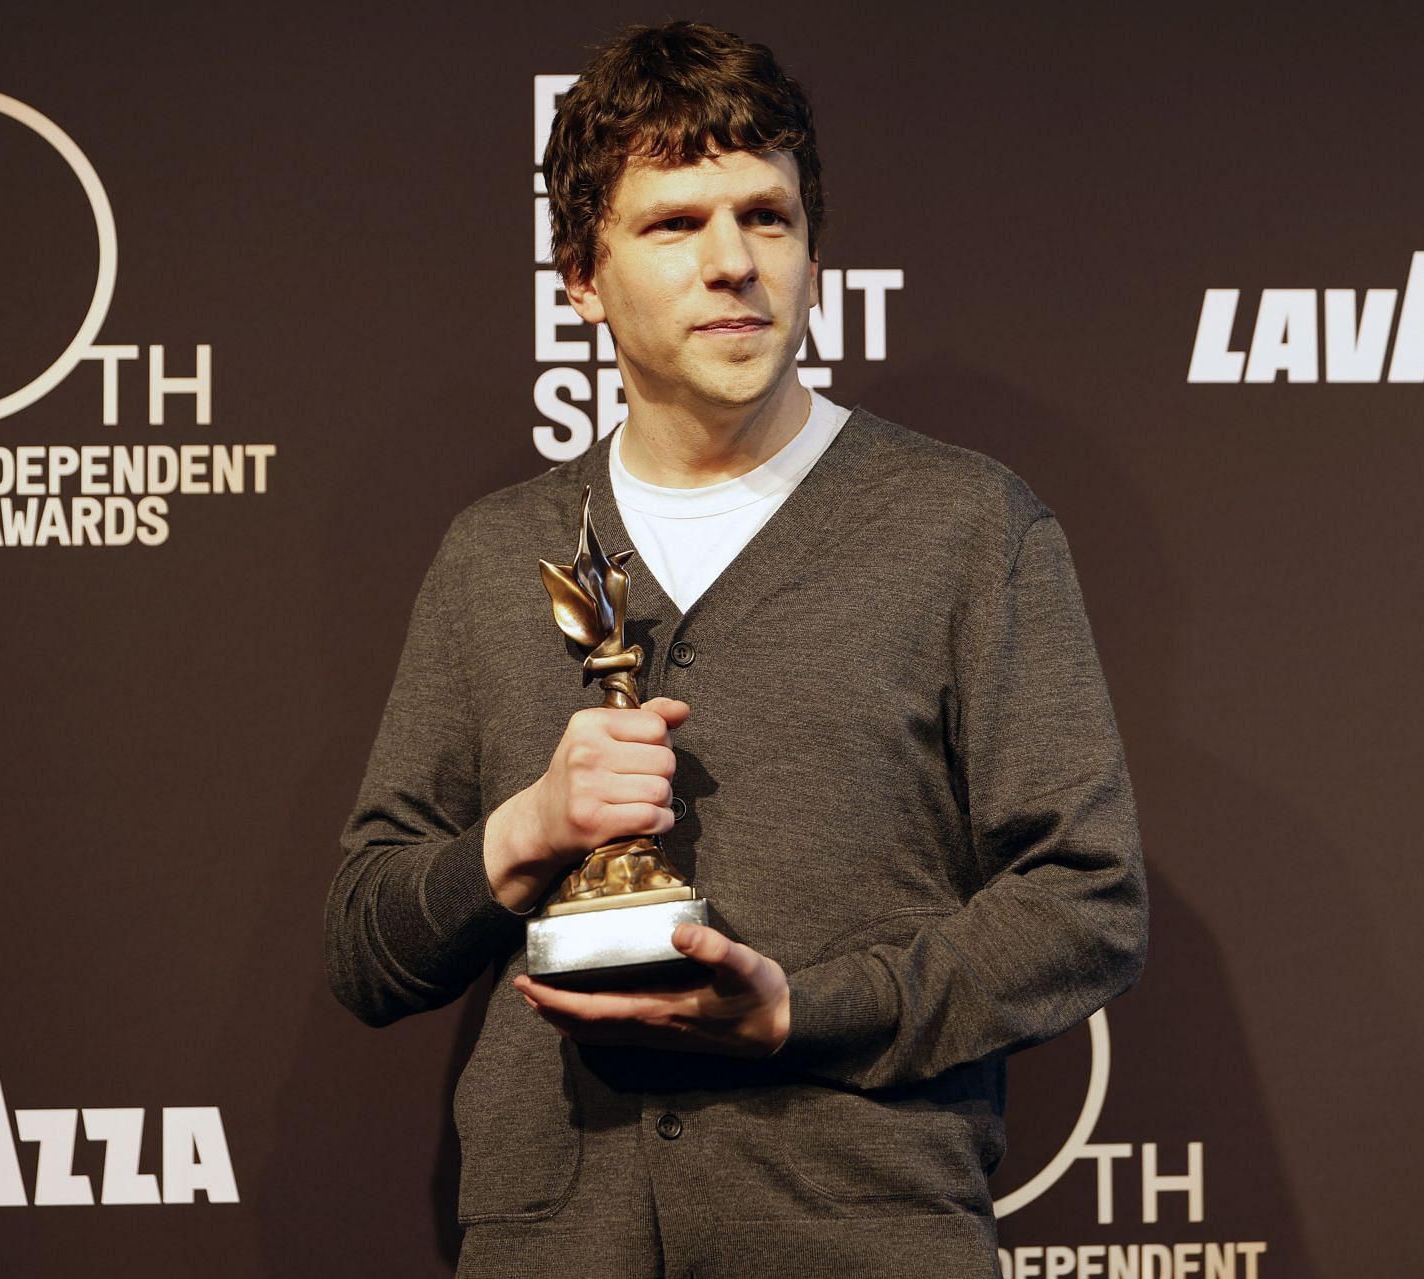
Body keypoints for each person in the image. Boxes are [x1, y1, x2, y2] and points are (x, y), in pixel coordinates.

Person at [325, 20, 1146, 1277]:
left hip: (863, 1232)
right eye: (674, 224)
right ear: (579, 278)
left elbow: (1086, 903)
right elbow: (365, 941)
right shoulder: (499, 554)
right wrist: (526, 828)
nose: (734, 264)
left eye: (767, 217)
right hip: (558, 1245)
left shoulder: (966, 527)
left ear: (813, 249)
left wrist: (799, 1013)